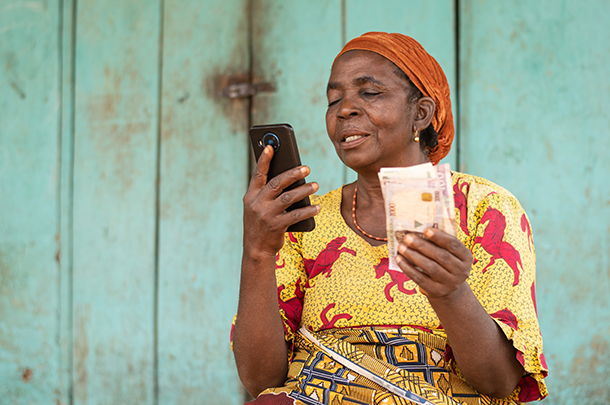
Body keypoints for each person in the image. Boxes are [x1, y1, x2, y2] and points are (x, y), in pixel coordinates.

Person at [232, 32, 548, 405]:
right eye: (334, 99)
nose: (344, 109)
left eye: (370, 93)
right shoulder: (303, 220)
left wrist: (449, 293)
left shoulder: (484, 207)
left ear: (421, 113)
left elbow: (499, 383)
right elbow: (260, 380)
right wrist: (258, 250)